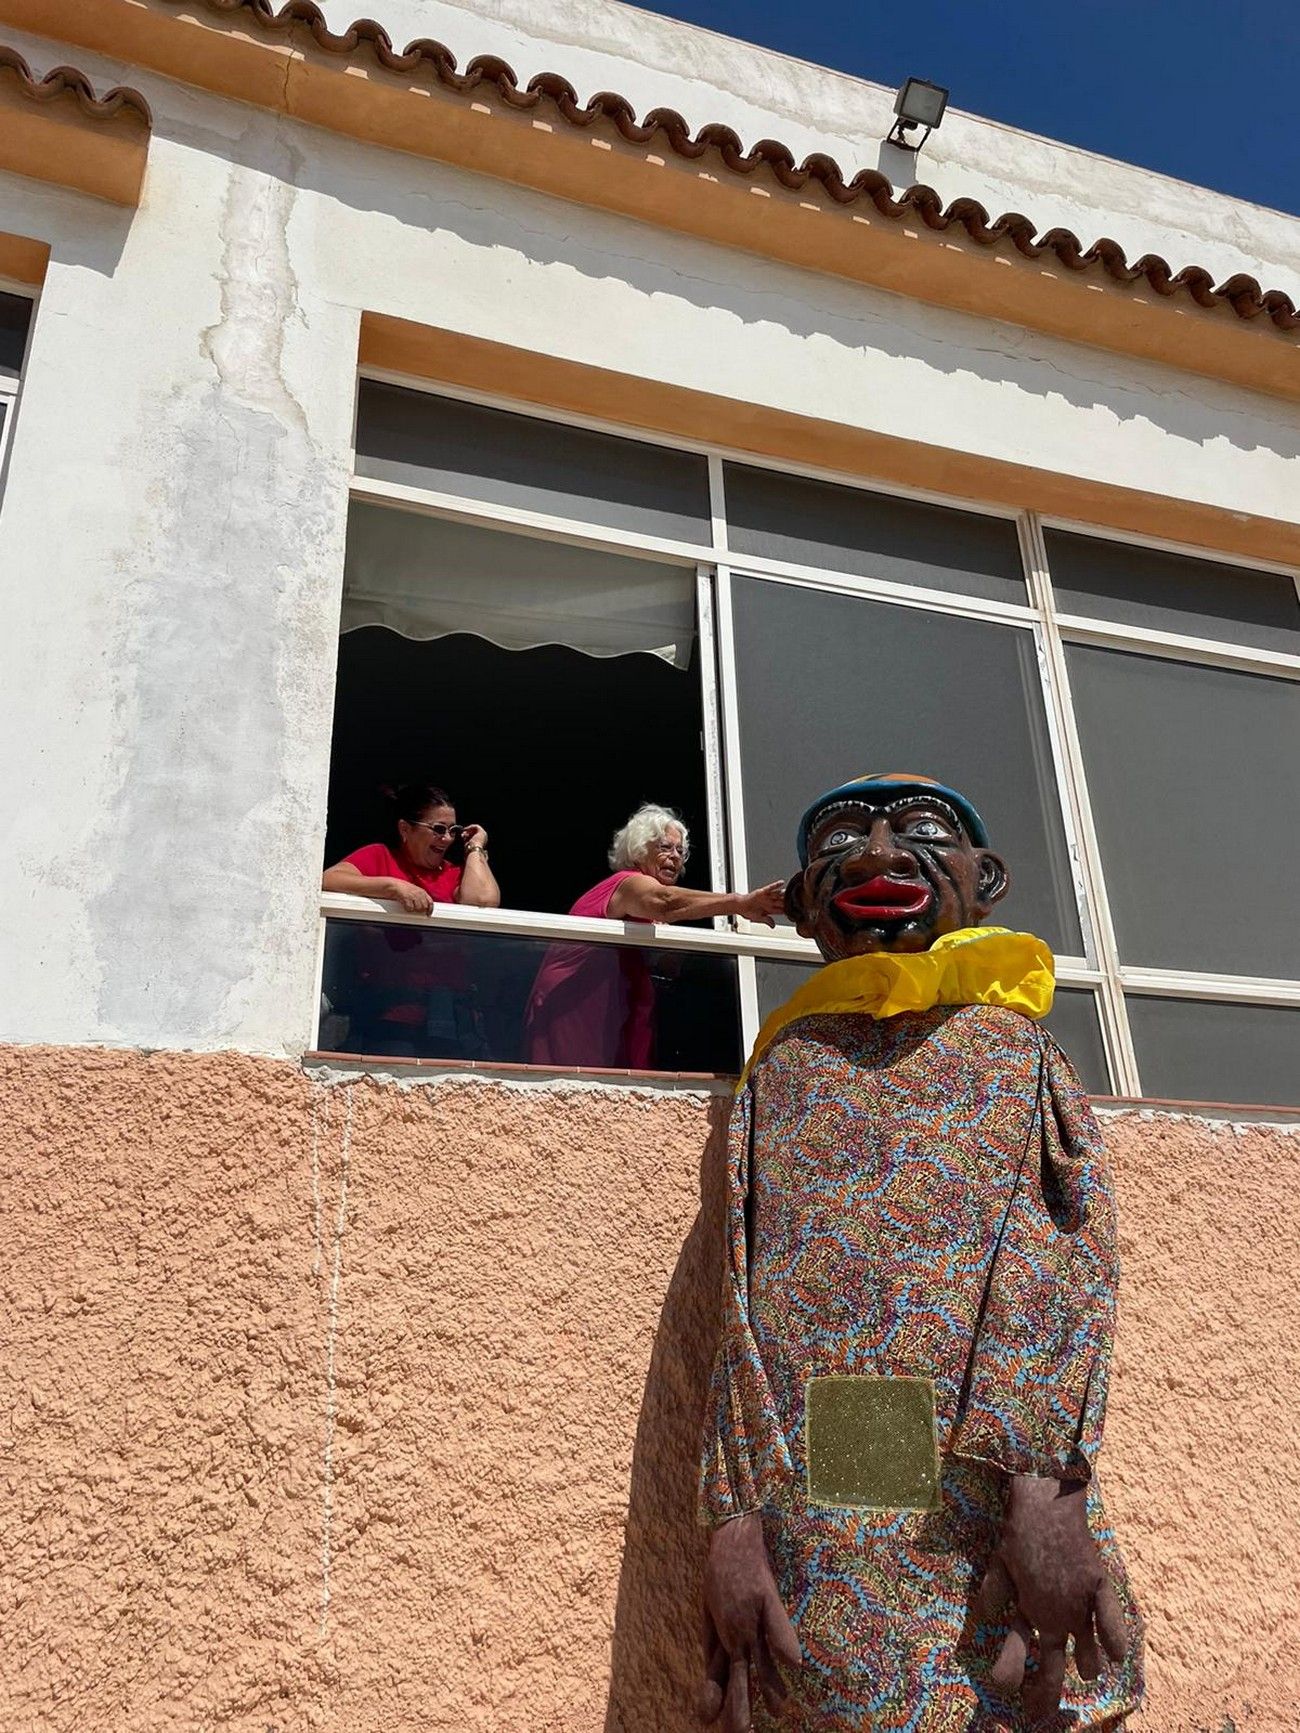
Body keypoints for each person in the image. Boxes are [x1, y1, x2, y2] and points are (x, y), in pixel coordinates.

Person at [698, 772, 1144, 1731]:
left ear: (985, 880)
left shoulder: (1009, 1049)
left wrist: (1041, 1489)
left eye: (921, 831)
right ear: (807, 898)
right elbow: (738, 1302)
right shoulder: (780, 1071)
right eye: (842, 841)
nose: (873, 855)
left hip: (991, 1504)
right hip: (827, 1505)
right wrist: (732, 1516)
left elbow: (1060, 1261)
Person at [523, 803, 784, 1070]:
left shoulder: (644, 915)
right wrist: (740, 904)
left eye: (680, 851)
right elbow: (666, 901)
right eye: (664, 847)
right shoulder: (626, 884)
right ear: (638, 850)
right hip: (573, 1018)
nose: (675, 856)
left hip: (609, 1027)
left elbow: (672, 964)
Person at [321, 782, 500, 1054]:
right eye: (438, 829)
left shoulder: (454, 873)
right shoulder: (380, 857)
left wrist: (475, 848)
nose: (447, 839)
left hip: (451, 1020)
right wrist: (392, 887)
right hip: (392, 1019)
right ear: (405, 829)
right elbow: (328, 880)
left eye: (453, 831)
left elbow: (484, 901)